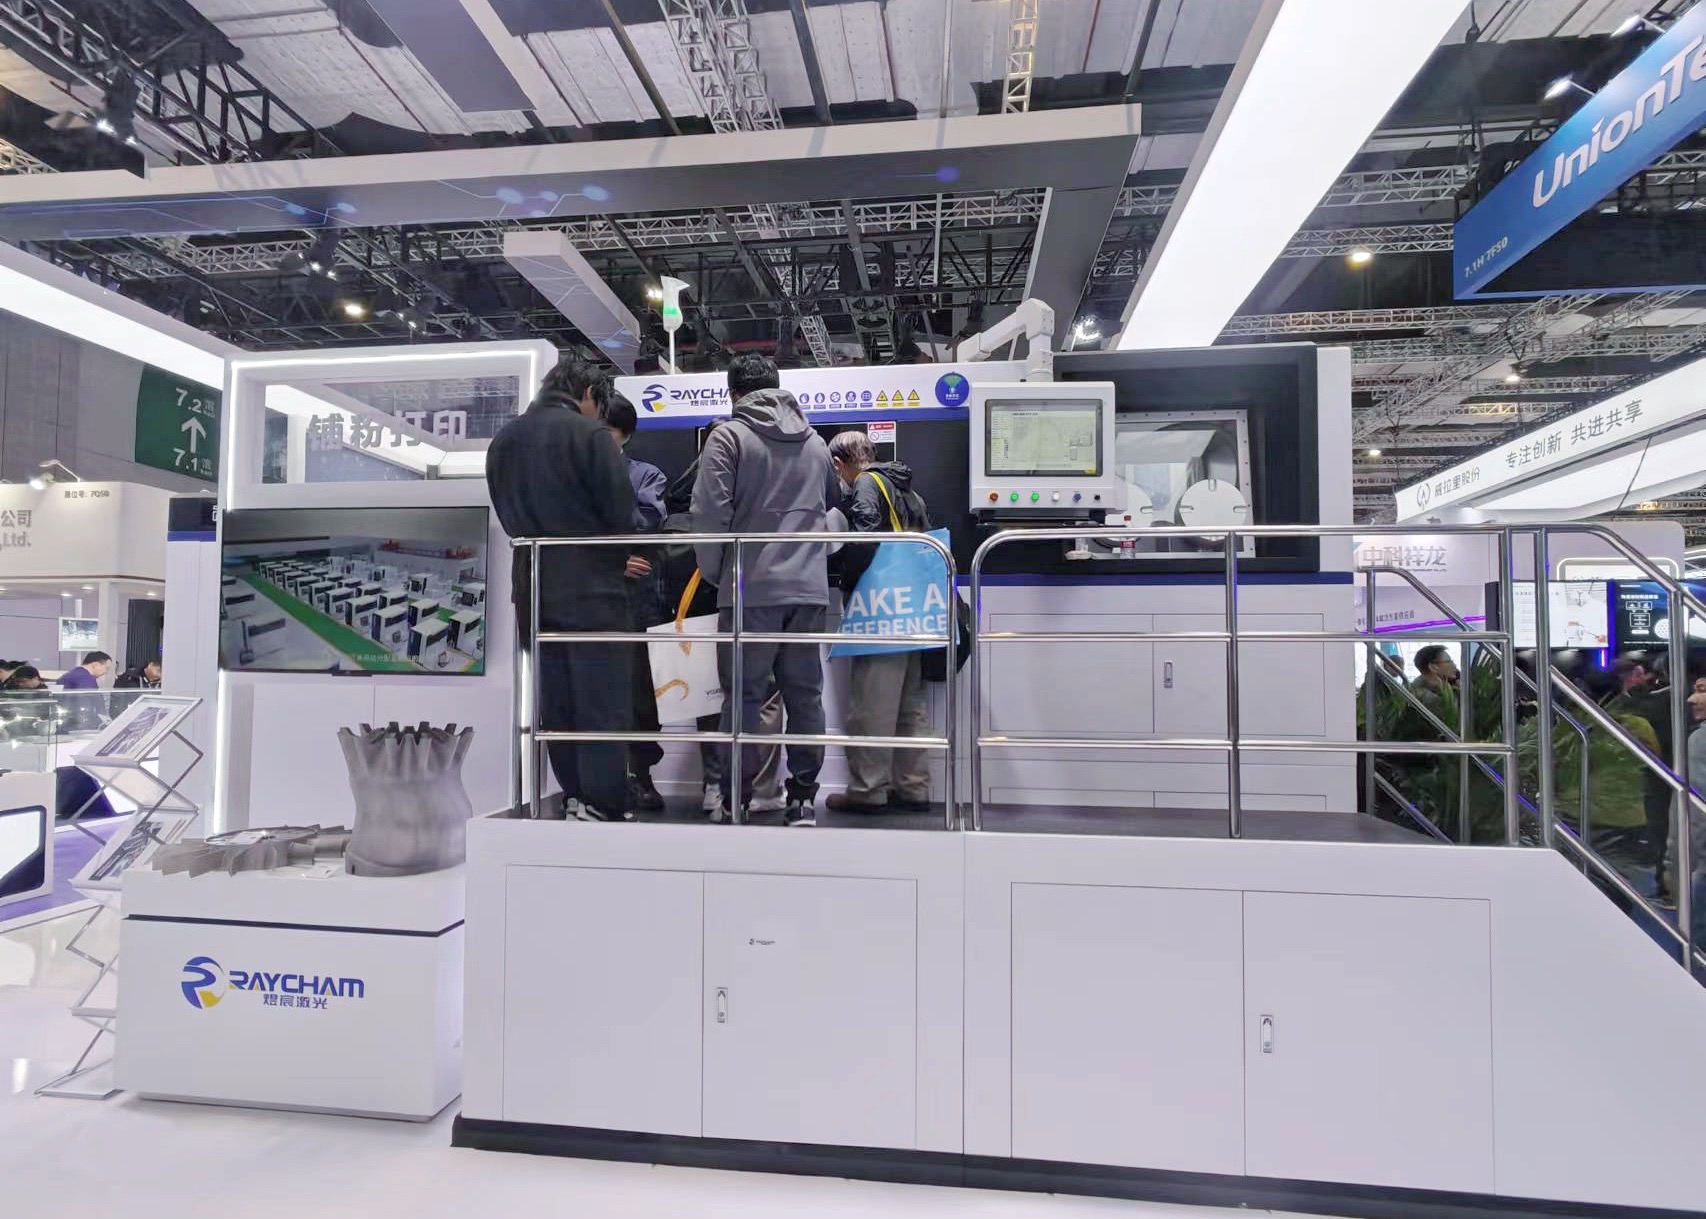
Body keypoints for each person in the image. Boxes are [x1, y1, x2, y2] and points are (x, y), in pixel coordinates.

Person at [690, 352, 840, 826]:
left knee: (744, 697)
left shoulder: (729, 436)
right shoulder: (816, 442)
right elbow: (829, 505)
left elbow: (709, 514)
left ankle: (736, 799)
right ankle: (803, 799)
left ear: (733, 393)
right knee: (805, 697)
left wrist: (718, 575)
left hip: (748, 588)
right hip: (808, 588)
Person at [487, 354, 637, 822]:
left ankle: (572, 795)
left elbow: (505, 513)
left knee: (556, 699)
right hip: (593, 589)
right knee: (601, 698)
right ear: (589, 395)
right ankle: (603, 802)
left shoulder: (503, 439)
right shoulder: (590, 436)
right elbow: (621, 516)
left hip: (531, 586)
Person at [824, 430, 934, 813]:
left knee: (872, 704)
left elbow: (866, 537)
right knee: (909, 704)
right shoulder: (907, 488)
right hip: (914, 607)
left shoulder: (867, 484)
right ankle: (914, 787)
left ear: (838, 463)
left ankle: (868, 790)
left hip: (880, 607)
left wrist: (847, 574)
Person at [602, 393, 668, 814]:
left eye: (606, 431)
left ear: (624, 434)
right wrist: (612, 557)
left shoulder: (646, 475)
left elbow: (648, 523)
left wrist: (605, 538)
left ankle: (641, 774)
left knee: (642, 693)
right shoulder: (576, 476)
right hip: (591, 600)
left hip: (638, 605)